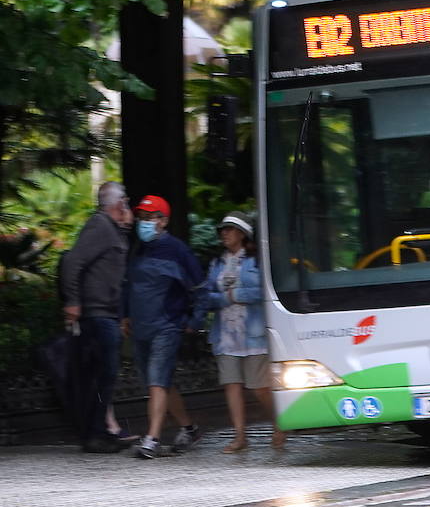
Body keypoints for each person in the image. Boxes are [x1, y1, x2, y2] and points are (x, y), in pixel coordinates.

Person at [122, 195, 205, 459]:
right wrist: (125, 315)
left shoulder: (178, 250)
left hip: (166, 326)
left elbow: (200, 288)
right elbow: (128, 285)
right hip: (140, 327)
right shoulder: (138, 249)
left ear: (164, 221)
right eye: (142, 218)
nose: (144, 223)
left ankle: (152, 439)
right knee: (160, 383)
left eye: (150, 218)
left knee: (157, 381)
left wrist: (194, 320)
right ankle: (189, 429)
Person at [58, 181, 134, 453]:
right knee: (103, 374)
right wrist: (74, 301)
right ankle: (95, 434)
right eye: (125, 201)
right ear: (118, 203)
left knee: (104, 375)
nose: (128, 206)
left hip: (106, 314)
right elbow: (73, 262)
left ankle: (99, 431)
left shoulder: (113, 230)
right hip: (96, 314)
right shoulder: (100, 225)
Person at [202, 212, 285, 452]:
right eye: (223, 230)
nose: (224, 234)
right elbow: (207, 295)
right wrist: (222, 298)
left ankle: (280, 421)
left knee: (259, 386)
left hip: (253, 334)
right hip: (225, 334)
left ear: (242, 233)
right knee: (232, 384)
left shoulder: (256, 261)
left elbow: (263, 291)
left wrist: (232, 295)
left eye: (229, 229)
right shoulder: (217, 263)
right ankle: (240, 436)